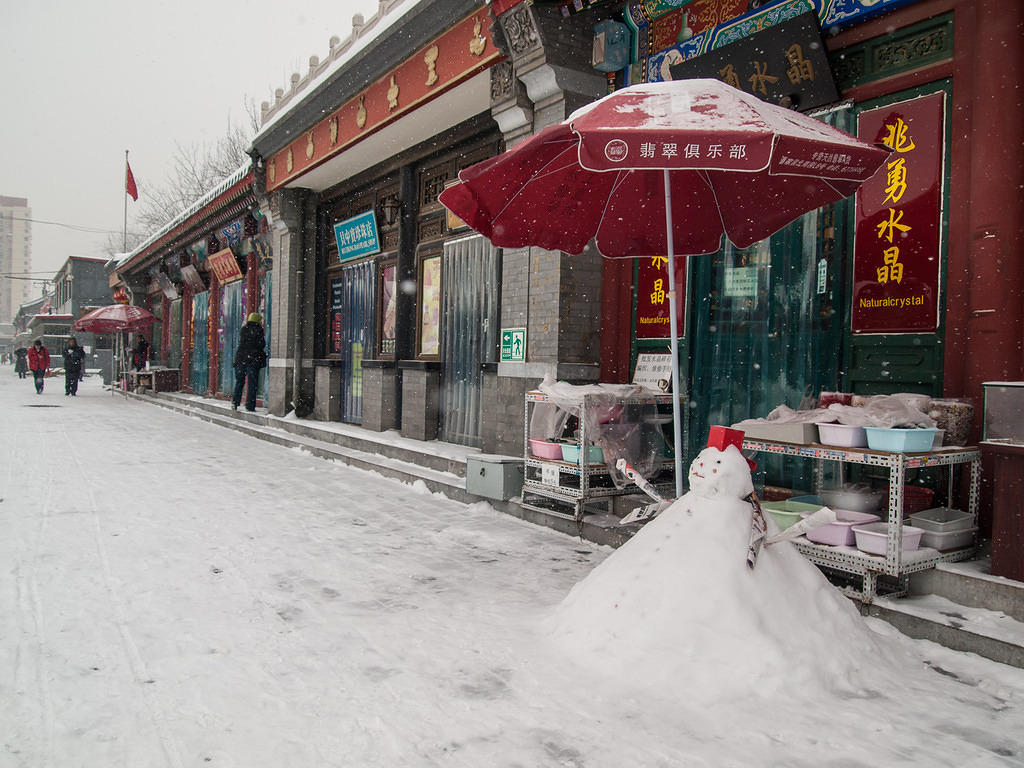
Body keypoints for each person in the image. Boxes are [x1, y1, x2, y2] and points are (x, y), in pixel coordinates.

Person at [232, 312, 267, 412]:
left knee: (239, 381)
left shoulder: (244, 330)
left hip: (240, 359)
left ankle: (235, 402)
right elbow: (261, 345)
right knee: (252, 383)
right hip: (252, 360)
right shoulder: (259, 330)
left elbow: (243, 343)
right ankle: (250, 405)